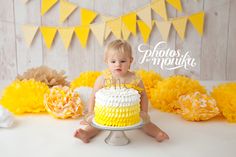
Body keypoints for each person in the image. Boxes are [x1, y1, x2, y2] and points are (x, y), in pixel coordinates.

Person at [74, 39, 169, 143]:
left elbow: (143, 96)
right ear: (106, 61)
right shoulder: (103, 79)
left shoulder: (135, 78)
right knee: (97, 125)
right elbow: (93, 96)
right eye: (113, 61)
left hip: (131, 114)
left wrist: (144, 112)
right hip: (107, 114)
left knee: (145, 124)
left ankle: (158, 133)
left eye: (123, 61)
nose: (118, 64)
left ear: (130, 61)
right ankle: (86, 134)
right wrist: (91, 113)